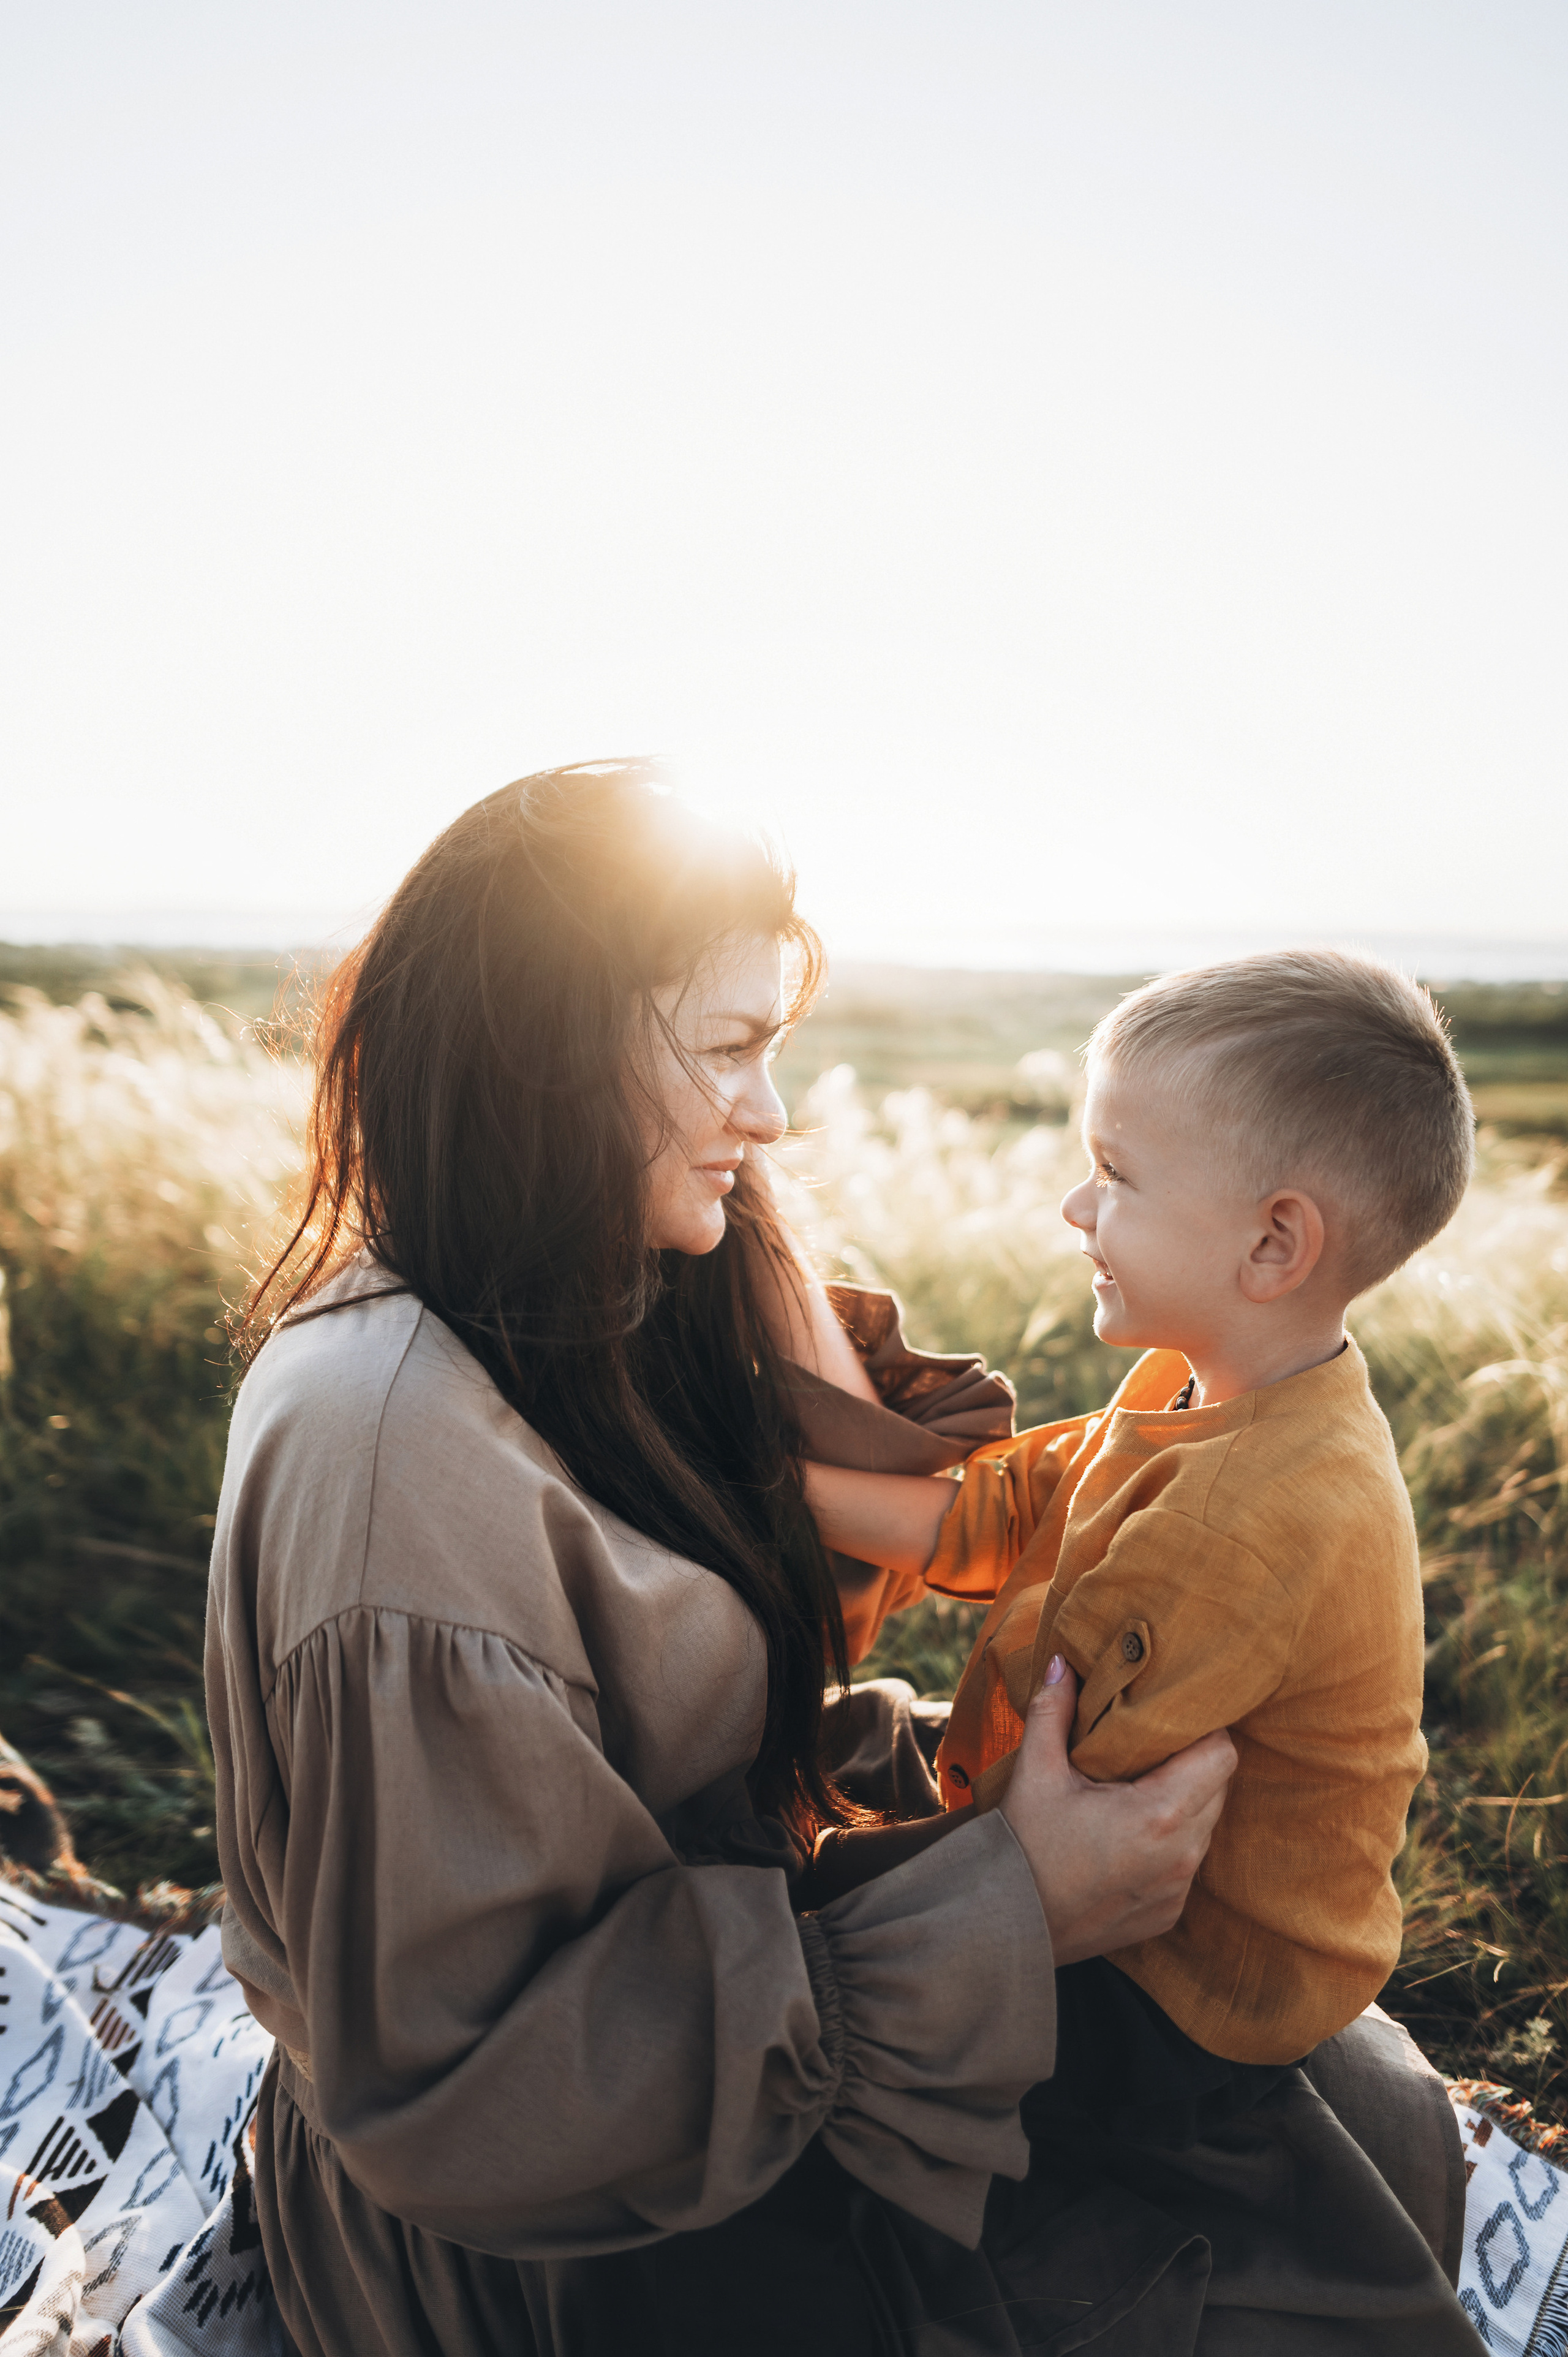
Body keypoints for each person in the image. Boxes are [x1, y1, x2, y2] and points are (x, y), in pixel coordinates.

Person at [204, 768, 1476, 2355]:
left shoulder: (621, 1273)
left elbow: (937, 1505)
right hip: (580, 2212)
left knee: (1360, 2123)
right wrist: (1014, 1907)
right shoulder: (386, 1457)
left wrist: (760, 1264)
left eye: (776, 1049)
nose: (776, 1112)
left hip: (751, 1967)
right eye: (730, 1050)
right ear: (547, 1055)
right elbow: (478, 2099)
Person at [804, 952, 1471, 2149]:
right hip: (1102, 1843)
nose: (1074, 1207)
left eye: (1113, 1175)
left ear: (1272, 1246)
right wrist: (790, 1491)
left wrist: (847, 1889)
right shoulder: (1198, 1379)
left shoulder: (1254, 1515)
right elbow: (1005, 1512)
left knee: (862, 2097)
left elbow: (1070, 1816)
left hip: (1188, 1992)